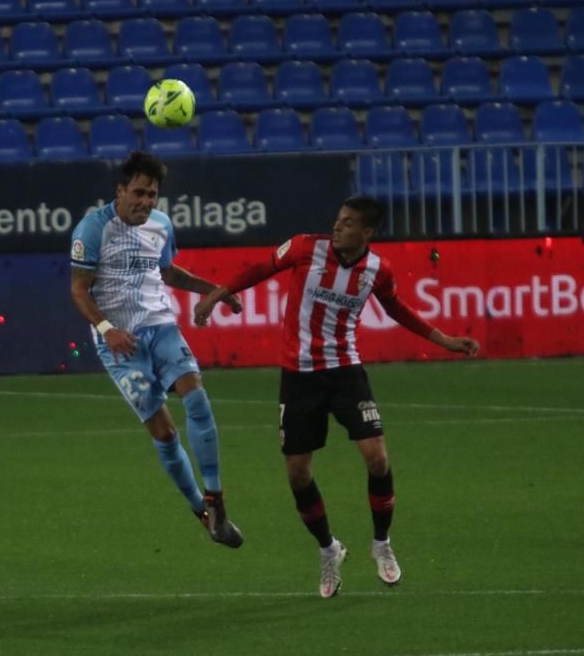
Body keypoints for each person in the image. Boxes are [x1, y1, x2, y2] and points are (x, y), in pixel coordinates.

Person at [193, 196, 480, 598]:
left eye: (347, 223)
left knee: (378, 457)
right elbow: (262, 267)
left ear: (366, 232)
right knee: (298, 473)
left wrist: (443, 339)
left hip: (346, 372)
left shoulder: (377, 270)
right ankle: (329, 549)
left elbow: (396, 308)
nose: (337, 226)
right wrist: (216, 294)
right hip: (299, 376)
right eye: (337, 219)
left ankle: (381, 543)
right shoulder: (306, 248)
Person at [70, 151, 244, 548]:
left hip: (160, 326)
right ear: (120, 190)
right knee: (164, 431)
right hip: (119, 345)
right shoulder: (92, 229)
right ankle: (199, 509)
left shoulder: (161, 225)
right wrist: (106, 328)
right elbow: (78, 290)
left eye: (153, 195)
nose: (147, 202)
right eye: (139, 193)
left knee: (196, 398)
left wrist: (215, 292)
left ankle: (216, 499)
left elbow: (166, 271)